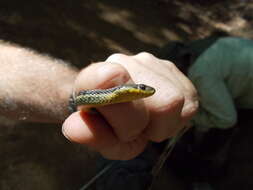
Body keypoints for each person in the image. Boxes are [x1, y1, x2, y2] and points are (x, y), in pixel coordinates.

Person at [0, 41, 198, 161]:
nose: (146, 91)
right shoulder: (116, 94)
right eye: (143, 89)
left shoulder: (115, 94)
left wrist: (74, 95)